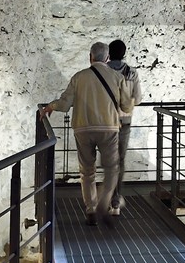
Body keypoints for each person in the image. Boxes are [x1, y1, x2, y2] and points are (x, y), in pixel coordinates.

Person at [41, 42, 135, 226]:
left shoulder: (79, 77)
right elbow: (126, 105)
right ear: (107, 59)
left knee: (87, 171)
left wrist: (50, 106)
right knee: (112, 170)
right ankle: (103, 203)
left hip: (83, 128)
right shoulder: (117, 77)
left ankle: (91, 209)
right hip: (108, 128)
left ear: (90, 57)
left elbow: (65, 103)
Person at [107, 40, 143, 213]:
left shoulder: (102, 71)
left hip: (105, 121)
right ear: (123, 53)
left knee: (108, 161)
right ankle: (115, 200)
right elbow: (139, 97)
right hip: (124, 121)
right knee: (120, 161)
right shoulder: (131, 73)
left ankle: (104, 196)